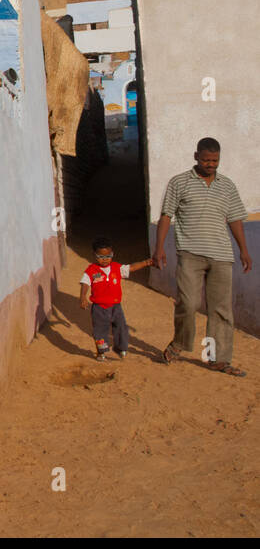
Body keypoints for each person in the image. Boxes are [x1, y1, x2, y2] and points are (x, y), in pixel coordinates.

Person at [154, 137, 253, 377]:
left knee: (221, 309)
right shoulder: (179, 183)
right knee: (188, 304)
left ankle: (219, 360)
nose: (211, 164)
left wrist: (244, 250)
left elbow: (235, 219)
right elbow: (167, 215)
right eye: (207, 159)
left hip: (221, 256)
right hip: (190, 254)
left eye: (215, 160)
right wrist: (159, 248)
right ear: (196, 156)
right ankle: (179, 343)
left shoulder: (227, 186)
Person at [79, 237, 152, 360]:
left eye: (108, 256)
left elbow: (132, 267)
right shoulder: (91, 271)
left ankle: (121, 349)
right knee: (100, 331)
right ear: (95, 255)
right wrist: (82, 297)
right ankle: (101, 352)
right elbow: (85, 283)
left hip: (116, 307)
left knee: (121, 328)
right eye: (101, 257)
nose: (105, 260)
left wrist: (146, 263)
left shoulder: (117, 268)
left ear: (112, 254)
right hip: (99, 308)